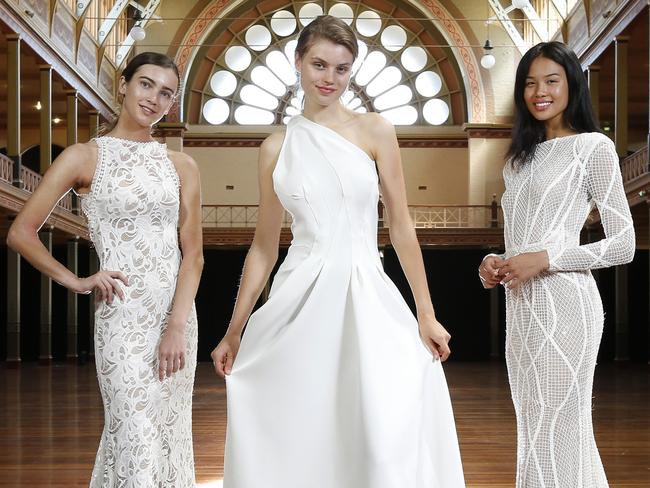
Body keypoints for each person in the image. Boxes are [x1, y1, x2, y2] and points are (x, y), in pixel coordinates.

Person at [211, 15, 465, 488]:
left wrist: (426, 314)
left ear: (353, 71)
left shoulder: (375, 130)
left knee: (379, 422)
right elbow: (264, 248)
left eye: (342, 68)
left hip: (365, 289)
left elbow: (402, 227)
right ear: (298, 62)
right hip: (299, 297)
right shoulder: (275, 147)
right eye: (319, 64)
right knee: (301, 423)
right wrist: (233, 330)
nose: (330, 78)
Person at [7, 52, 203, 487]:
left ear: (172, 104)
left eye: (166, 93)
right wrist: (76, 280)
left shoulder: (182, 166)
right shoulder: (83, 157)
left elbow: (195, 255)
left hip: (177, 320)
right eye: (146, 84)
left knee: (167, 436)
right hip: (122, 318)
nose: (154, 98)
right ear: (124, 84)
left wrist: (176, 325)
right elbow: (22, 231)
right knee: (132, 434)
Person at [478, 42, 635, 487]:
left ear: (572, 86)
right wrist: (494, 262)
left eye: (551, 81)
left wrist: (547, 259)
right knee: (533, 428)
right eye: (530, 83)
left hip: (568, 306)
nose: (539, 91)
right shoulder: (517, 161)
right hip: (521, 308)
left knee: (558, 425)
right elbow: (521, 240)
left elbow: (624, 242)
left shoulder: (593, 147)